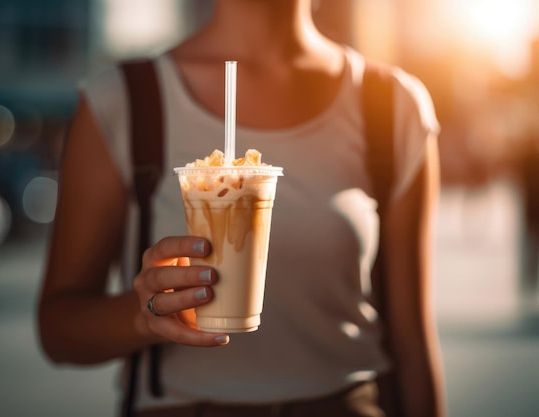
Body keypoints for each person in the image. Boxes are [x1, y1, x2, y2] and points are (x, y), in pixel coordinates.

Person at [37, 1, 445, 416]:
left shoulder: (392, 105)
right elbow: (57, 332)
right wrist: (142, 316)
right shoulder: (124, 101)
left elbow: (411, 343)